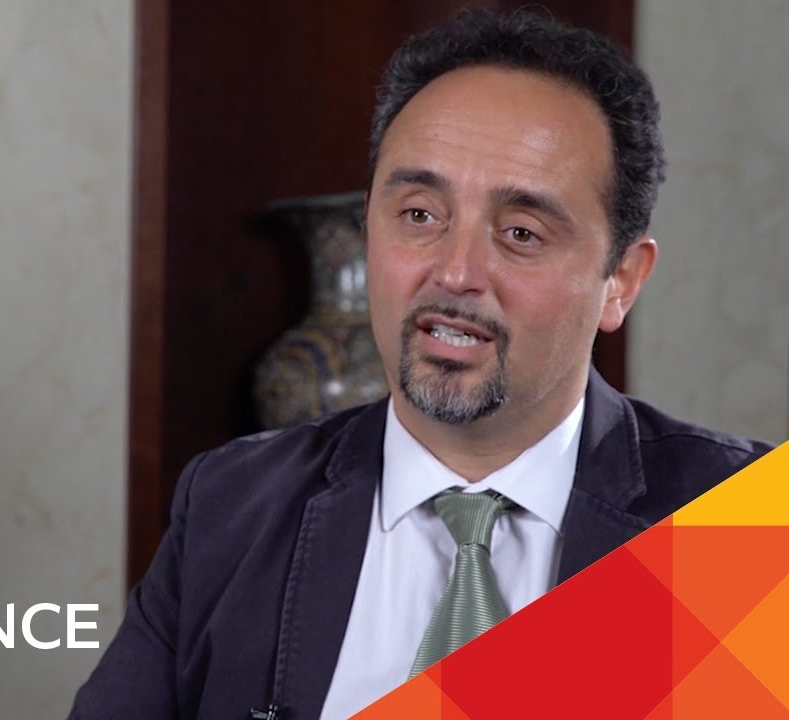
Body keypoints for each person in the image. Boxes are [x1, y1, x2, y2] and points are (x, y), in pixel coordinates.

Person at [70, 8, 773, 720]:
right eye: (418, 216)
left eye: (521, 232)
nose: (456, 273)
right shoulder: (231, 505)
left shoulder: (742, 531)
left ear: (621, 279)